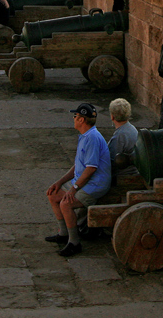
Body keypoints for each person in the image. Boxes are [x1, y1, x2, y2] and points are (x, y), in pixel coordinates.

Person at [44, 103, 112, 257]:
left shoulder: (92, 138)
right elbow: (78, 166)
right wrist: (59, 182)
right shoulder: (85, 135)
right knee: (53, 195)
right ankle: (63, 233)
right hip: (83, 181)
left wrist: (73, 188)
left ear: (81, 120)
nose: (73, 119)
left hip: (95, 184)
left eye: (75, 116)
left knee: (66, 204)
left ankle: (74, 242)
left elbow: (91, 168)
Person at [107, 98, 139, 178]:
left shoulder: (119, 136)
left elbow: (110, 161)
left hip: (122, 175)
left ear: (112, 117)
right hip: (134, 171)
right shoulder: (132, 129)